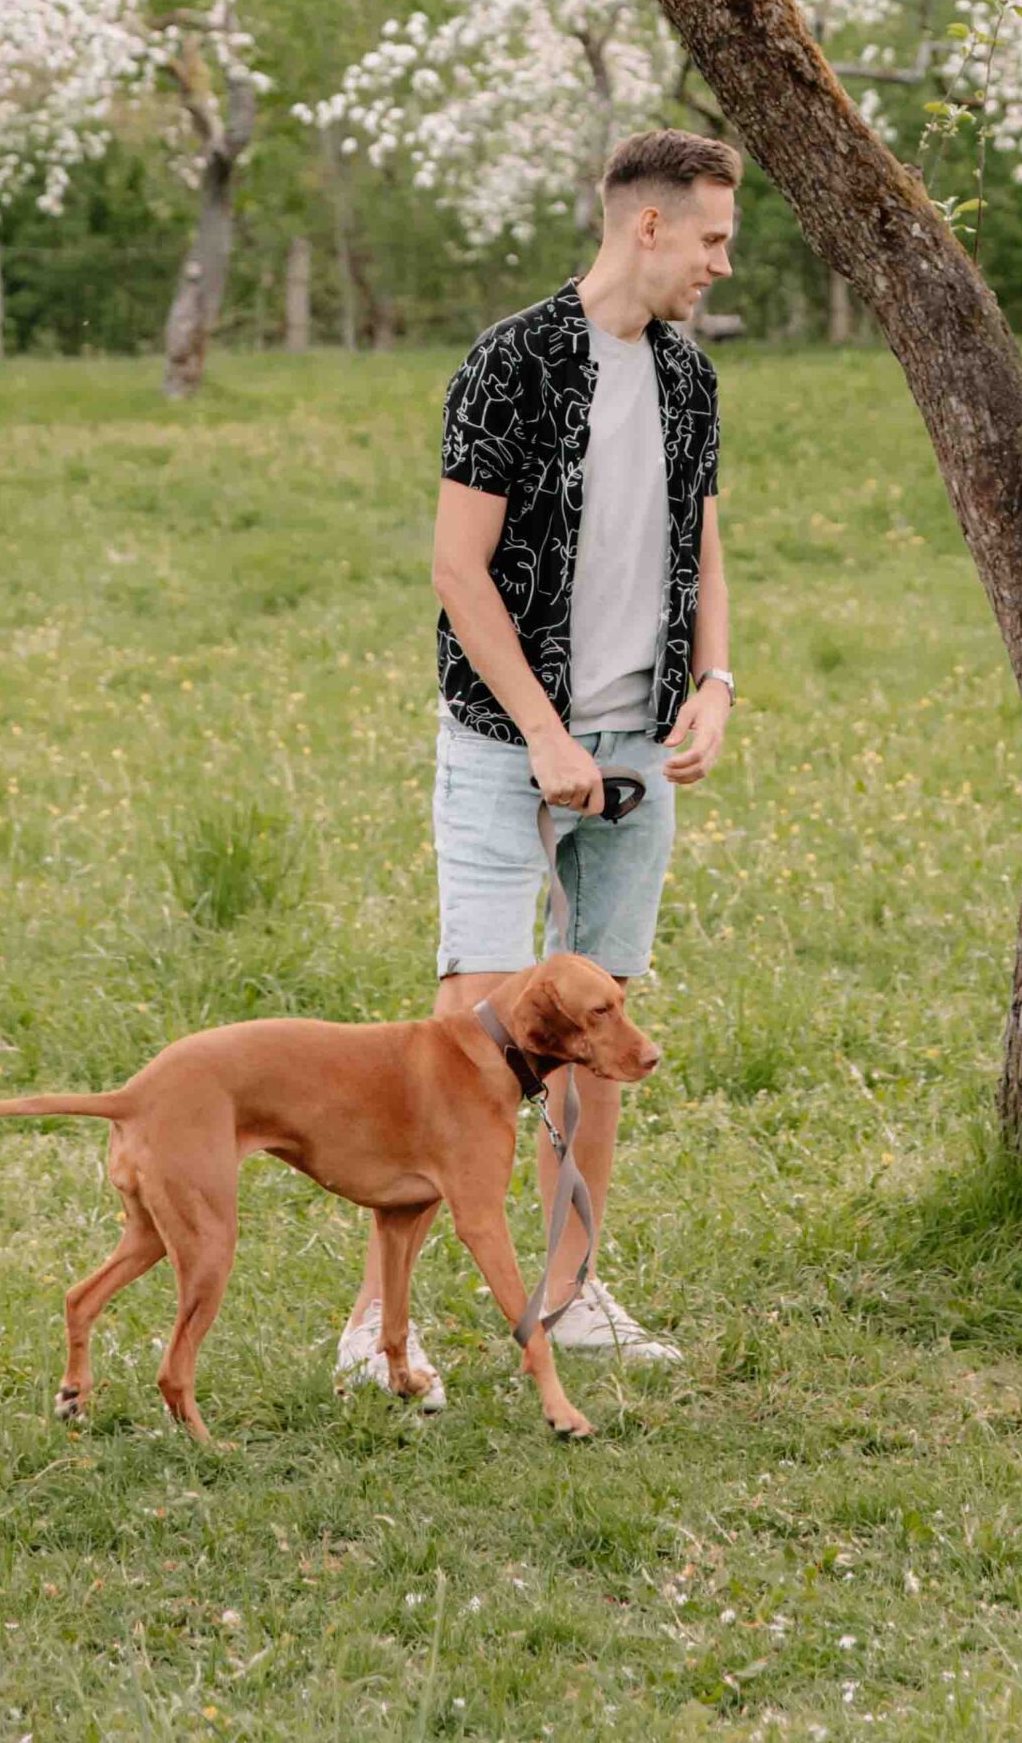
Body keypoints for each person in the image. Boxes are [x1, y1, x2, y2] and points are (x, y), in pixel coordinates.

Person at [336, 125, 740, 1402]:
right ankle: (378, 1325)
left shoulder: (687, 379)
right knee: (470, 1026)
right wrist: (543, 734)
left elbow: (705, 545)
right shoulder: (511, 363)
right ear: (648, 225)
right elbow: (460, 570)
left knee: (603, 1020)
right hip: (506, 741)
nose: (721, 266)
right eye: (714, 239)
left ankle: (567, 1293)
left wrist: (716, 682)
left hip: (635, 751)